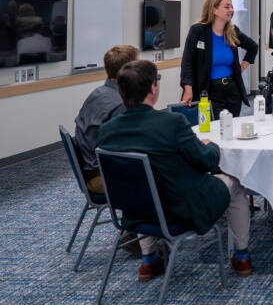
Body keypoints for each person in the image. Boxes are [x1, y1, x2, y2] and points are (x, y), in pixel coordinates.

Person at [97, 60, 252, 280]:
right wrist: (212, 146)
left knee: (141, 186)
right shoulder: (172, 123)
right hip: (181, 208)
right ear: (153, 87)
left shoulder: (107, 131)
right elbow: (207, 162)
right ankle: (242, 256)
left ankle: (149, 260)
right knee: (235, 184)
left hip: (136, 211)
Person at [73, 44, 139, 194]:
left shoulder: (98, 93)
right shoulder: (120, 104)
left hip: (91, 167)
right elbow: (129, 149)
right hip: (103, 175)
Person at [180, 0, 258, 118]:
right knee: (212, 129)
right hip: (209, 91)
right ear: (214, 10)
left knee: (231, 128)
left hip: (232, 91)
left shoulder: (232, 31)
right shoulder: (198, 31)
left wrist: (241, 67)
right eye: (227, 7)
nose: (231, 10)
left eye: (232, 6)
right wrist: (188, 88)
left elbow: (253, 47)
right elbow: (187, 62)